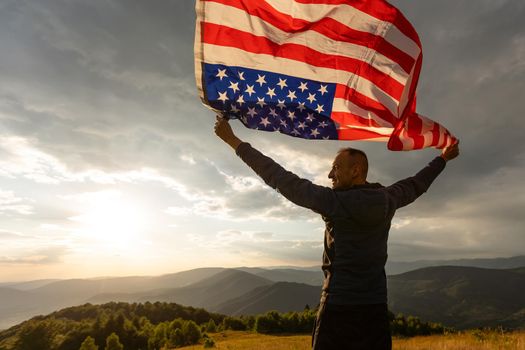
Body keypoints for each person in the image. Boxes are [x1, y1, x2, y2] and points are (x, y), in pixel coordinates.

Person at [214, 115, 459, 350]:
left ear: (355, 171)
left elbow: (281, 178)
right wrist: (443, 159)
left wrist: (234, 142)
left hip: (338, 309)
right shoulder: (389, 198)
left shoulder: (333, 202)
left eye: (335, 168)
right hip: (375, 310)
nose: (330, 174)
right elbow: (418, 183)